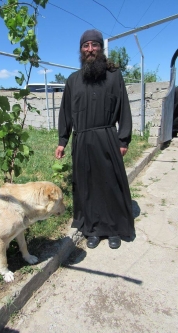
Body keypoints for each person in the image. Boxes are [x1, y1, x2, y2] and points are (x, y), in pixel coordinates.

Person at [55, 29, 134, 250]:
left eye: (94, 45)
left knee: (110, 184)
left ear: (101, 48)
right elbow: (65, 114)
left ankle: (113, 229)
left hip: (107, 137)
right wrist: (63, 140)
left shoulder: (114, 76)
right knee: (86, 186)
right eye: (86, 45)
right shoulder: (73, 81)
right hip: (81, 141)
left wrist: (123, 140)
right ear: (81, 50)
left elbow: (124, 110)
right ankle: (92, 230)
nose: (90, 49)